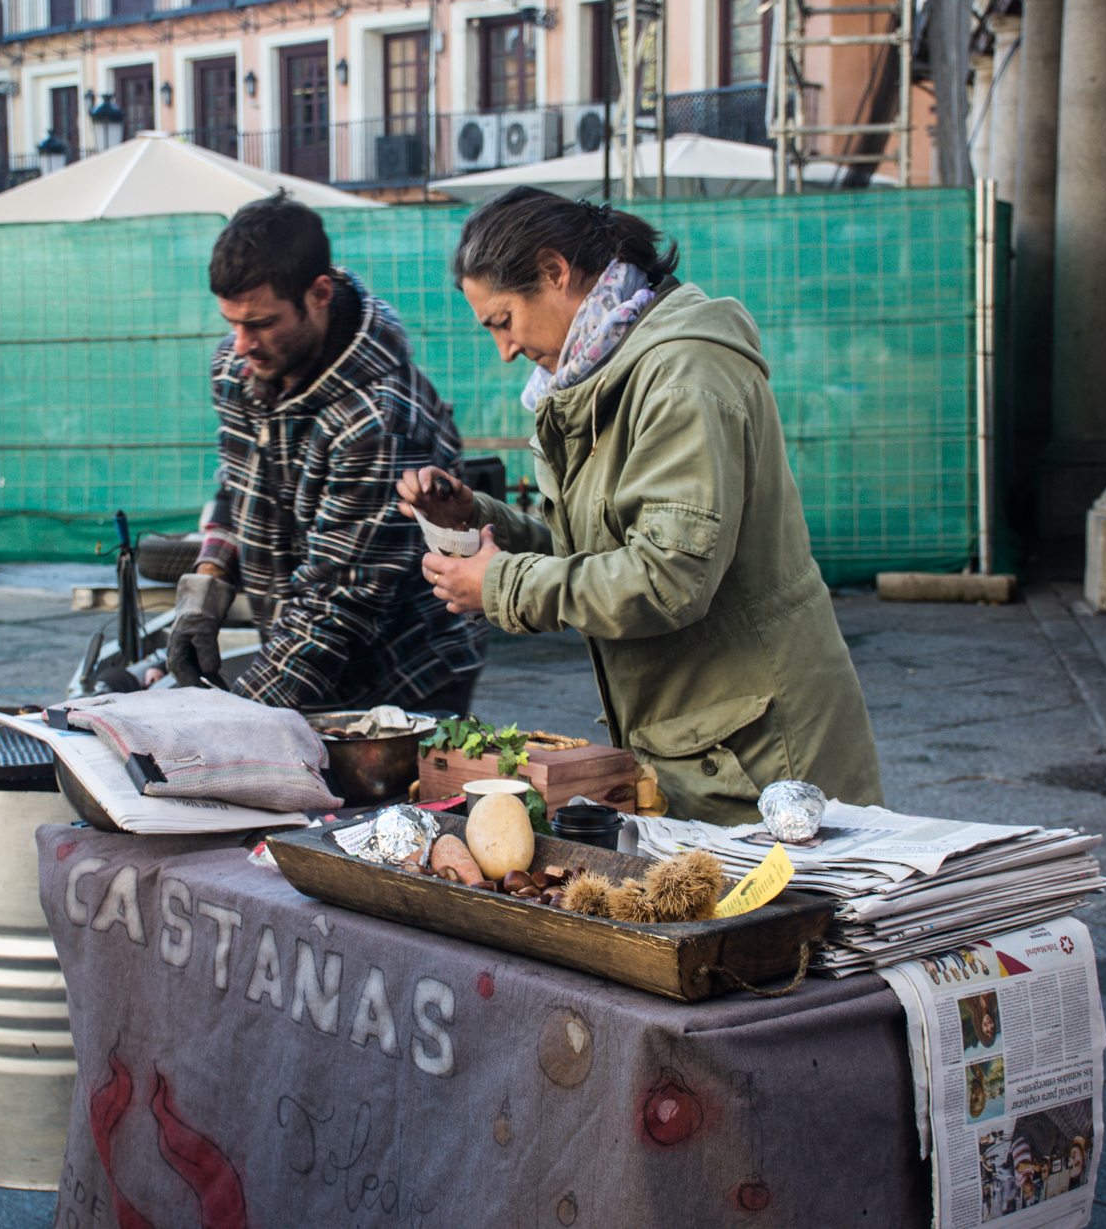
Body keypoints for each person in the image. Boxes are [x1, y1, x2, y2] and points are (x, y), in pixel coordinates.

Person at [399, 187, 880, 824]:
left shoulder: (682, 377)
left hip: (762, 760)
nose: (504, 350)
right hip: (699, 747)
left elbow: (667, 579)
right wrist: (480, 523)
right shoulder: (596, 374)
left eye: (502, 320)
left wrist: (500, 585)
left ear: (554, 272)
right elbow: (598, 553)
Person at [164, 192, 485, 712]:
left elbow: (337, 608)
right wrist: (207, 584)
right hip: (305, 644)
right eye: (232, 322)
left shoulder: (379, 418)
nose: (241, 344)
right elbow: (237, 482)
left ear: (319, 293)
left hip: (405, 675)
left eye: (262, 323)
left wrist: (226, 724)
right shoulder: (239, 371)